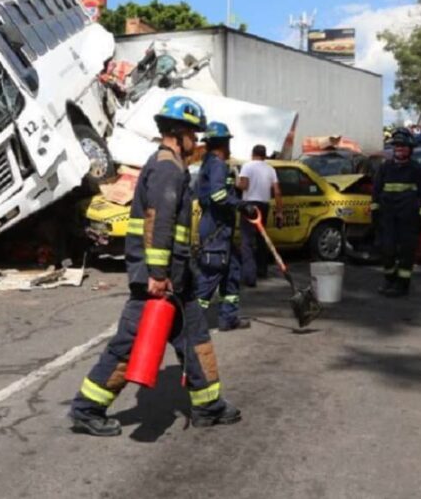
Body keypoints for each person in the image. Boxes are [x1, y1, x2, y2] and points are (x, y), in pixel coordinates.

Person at [68, 96, 241, 436]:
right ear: (179, 133)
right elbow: (158, 224)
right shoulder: (167, 168)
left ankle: (208, 405)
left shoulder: (170, 165)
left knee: (195, 338)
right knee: (129, 344)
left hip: (177, 280)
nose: (197, 144)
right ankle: (87, 409)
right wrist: (158, 276)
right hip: (157, 280)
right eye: (194, 135)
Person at [194, 120, 255, 331]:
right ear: (222, 144)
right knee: (210, 277)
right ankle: (192, 323)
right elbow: (219, 195)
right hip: (216, 230)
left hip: (222, 230)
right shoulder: (217, 164)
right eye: (228, 143)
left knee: (232, 271)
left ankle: (228, 318)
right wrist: (241, 206)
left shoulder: (210, 163)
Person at [372, 127, 421, 298]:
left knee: (406, 252)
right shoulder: (385, 168)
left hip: (409, 218)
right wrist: (375, 212)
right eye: (397, 147)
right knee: (387, 250)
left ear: (410, 149)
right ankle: (389, 280)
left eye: (403, 147)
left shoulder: (417, 169)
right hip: (387, 217)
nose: (400, 150)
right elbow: (376, 191)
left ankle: (402, 285)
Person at [237, 144, 284, 286]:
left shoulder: (247, 166)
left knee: (246, 241)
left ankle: (250, 277)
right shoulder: (270, 169)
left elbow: (243, 186)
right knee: (261, 237)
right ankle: (262, 270)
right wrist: (280, 212)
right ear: (264, 155)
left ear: (253, 154)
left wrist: (235, 182)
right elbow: (277, 192)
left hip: (249, 205)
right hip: (264, 206)